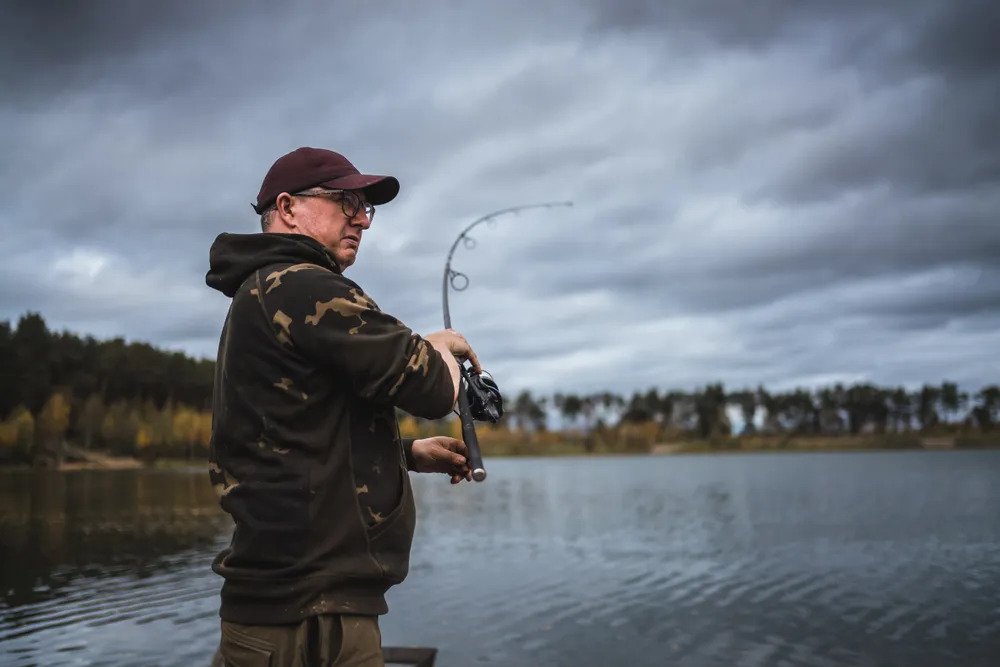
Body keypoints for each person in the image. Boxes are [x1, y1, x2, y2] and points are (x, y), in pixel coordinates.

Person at [205, 146, 479, 666]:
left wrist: (407, 452)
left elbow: (293, 437)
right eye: (345, 201)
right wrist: (441, 347)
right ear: (287, 208)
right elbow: (432, 387)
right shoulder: (300, 286)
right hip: (309, 612)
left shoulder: (266, 292)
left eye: (365, 207)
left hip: (287, 599)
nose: (362, 220)